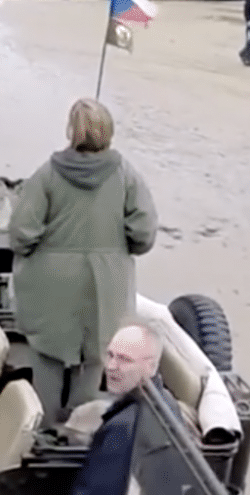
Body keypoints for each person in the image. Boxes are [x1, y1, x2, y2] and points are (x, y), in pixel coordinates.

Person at [10, 98, 159, 423]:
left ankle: (42, 435)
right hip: (105, 288)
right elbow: (144, 234)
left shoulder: (47, 175)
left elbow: (21, 233)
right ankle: (81, 434)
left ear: (71, 131)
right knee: (97, 359)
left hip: (50, 289)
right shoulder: (126, 176)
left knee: (47, 361)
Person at [61, 320, 163, 495]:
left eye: (124, 360)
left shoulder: (122, 430)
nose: (111, 366)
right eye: (110, 355)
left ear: (151, 367)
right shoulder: (162, 403)